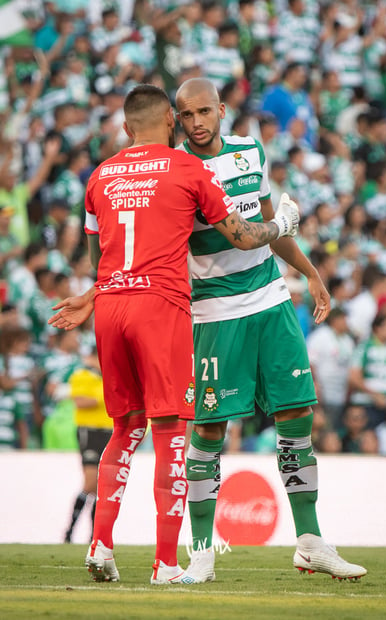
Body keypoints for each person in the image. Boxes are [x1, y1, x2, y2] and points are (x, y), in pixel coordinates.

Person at [48, 83, 300, 584]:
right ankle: (166, 563)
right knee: (169, 431)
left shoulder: (100, 177)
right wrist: (284, 223)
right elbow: (242, 235)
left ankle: (100, 544)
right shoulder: (189, 167)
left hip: (110, 306)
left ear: (124, 128)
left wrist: (91, 297)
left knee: (124, 429)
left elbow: (103, 259)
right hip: (160, 306)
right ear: (170, 121)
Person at [174, 78, 366, 582]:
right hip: (216, 312)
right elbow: (244, 231)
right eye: (185, 115)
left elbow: (263, 221)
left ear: (221, 110)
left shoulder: (248, 152)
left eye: (203, 112)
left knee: (296, 413)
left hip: (271, 300)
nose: (195, 123)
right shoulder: (179, 169)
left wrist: (309, 271)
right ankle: (200, 552)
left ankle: (309, 541)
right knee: (211, 427)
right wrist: (283, 226)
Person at [64, 348, 113, 544]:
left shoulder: (109, 376)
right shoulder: (82, 375)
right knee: (91, 482)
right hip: (90, 431)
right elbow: (80, 401)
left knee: (101, 486)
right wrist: (105, 395)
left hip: (109, 432)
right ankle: (70, 531)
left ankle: (94, 536)